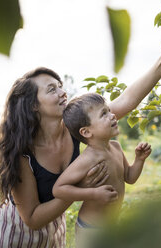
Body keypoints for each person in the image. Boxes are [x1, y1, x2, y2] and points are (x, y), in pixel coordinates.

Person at [0, 14, 161, 248]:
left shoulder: (76, 127)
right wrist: (83, 189)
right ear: (33, 105)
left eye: (60, 86)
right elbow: (33, 218)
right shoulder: (22, 153)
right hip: (16, 232)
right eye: (51, 90)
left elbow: (129, 98)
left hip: (55, 228)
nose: (62, 93)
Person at [52, 93, 152, 248]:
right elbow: (58, 189)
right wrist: (93, 194)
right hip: (91, 229)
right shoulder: (87, 160)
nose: (113, 116)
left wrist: (139, 160)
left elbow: (129, 177)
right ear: (86, 132)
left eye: (109, 111)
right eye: (104, 114)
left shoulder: (116, 147)